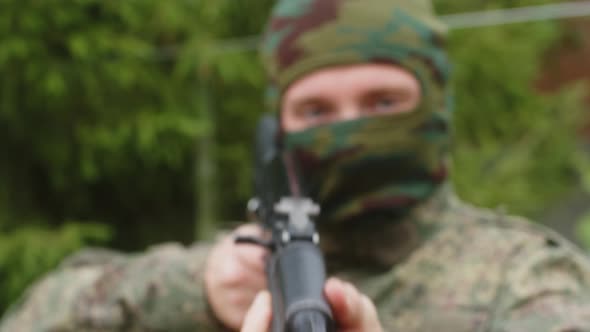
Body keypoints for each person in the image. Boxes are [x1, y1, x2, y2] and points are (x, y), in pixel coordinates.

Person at [2, 0, 590, 331]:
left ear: (436, 108)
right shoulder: (239, 269)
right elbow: (34, 317)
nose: (348, 127)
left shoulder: (524, 279)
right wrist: (200, 292)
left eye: (383, 103)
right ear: (280, 130)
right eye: (315, 109)